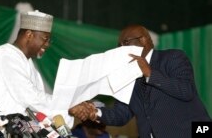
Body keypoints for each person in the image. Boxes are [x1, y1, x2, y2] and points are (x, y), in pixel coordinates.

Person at [69, 24, 211, 138]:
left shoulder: (172, 57)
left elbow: (186, 91)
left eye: (125, 43)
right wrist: (94, 113)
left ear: (143, 40)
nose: (121, 49)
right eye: (118, 46)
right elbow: (122, 114)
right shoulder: (126, 74)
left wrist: (149, 73)